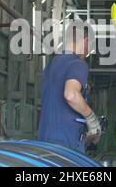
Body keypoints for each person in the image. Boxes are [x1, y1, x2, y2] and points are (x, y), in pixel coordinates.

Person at [38, 19, 101, 153]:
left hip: (44, 141)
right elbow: (71, 95)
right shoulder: (78, 64)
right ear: (85, 41)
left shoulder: (51, 65)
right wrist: (92, 119)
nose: (88, 50)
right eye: (90, 45)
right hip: (66, 145)